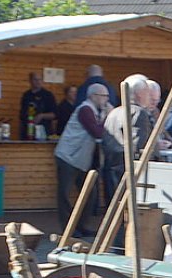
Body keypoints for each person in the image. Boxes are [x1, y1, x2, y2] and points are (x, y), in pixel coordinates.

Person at [55, 83, 109, 233]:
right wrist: (108, 117)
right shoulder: (85, 110)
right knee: (64, 194)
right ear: (93, 96)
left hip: (80, 160)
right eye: (103, 96)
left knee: (90, 193)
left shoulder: (94, 111)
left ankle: (82, 226)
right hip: (68, 157)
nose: (106, 99)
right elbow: (97, 132)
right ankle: (68, 230)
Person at [19, 73, 59, 139]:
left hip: (43, 131)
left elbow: (55, 114)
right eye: (35, 79)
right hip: (28, 131)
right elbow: (21, 116)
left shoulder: (48, 95)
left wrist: (41, 116)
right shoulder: (26, 95)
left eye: (39, 79)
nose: (38, 82)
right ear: (30, 81)